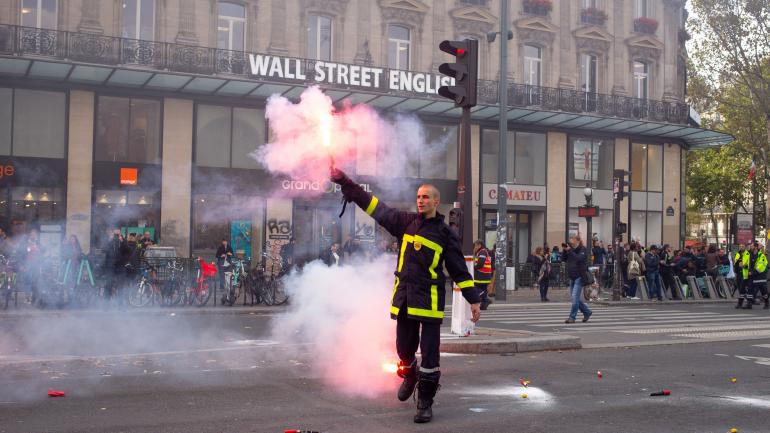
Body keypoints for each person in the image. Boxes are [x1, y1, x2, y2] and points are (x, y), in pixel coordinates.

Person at [331, 167, 480, 424]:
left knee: (430, 356)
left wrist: (473, 299)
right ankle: (410, 374)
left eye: (426, 197)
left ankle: (425, 403)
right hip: (405, 299)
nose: (421, 200)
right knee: (403, 349)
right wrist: (347, 183)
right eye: (418, 197)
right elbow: (375, 207)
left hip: (429, 302)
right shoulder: (405, 222)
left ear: (436, 202)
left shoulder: (446, 234)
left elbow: (458, 269)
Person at [561, 235, 592, 323]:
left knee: (575, 297)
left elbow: (578, 258)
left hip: (579, 277)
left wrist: (570, 251)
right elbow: (563, 259)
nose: (570, 241)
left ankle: (572, 317)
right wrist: (564, 251)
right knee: (575, 298)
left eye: (572, 239)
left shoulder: (583, 249)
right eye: (570, 239)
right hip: (572, 277)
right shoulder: (570, 249)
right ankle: (587, 312)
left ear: (577, 241)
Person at [472, 240, 493, 310]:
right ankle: (484, 305)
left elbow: (480, 263)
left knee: (475, 288)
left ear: (479, 245)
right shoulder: (484, 252)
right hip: (485, 275)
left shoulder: (482, 252)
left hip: (481, 275)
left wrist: (473, 268)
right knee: (483, 289)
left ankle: (486, 299)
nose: (474, 247)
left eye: (475, 246)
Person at [750, 244, 769, 309]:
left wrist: (753, 272)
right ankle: (749, 303)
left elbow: (761, 266)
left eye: (752, 246)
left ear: (756, 247)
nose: (750, 247)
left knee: (763, 291)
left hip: (760, 276)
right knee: (752, 290)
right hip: (754, 276)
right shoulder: (752, 255)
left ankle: (767, 303)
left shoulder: (761, 255)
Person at [734, 244, 750, 308]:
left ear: (745, 247)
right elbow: (735, 263)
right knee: (740, 289)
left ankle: (742, 303)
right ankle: (743, 302)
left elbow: (750, 263)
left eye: (742, 246)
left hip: (744, 274)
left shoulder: (748, 254)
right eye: (740, 246)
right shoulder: (737, 254)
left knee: (742, 289)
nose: (741, 247)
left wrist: (744, 266)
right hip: (738, 273)